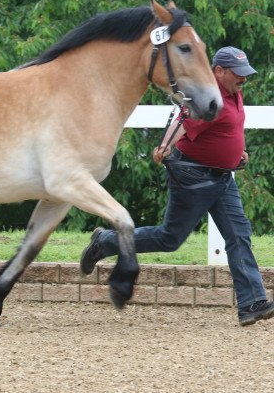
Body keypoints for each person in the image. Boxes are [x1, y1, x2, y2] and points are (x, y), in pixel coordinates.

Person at [80, 46, 273, 326]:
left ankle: (251, 303)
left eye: (245, 73)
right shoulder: (208, 97)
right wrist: (164, 145)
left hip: (222, 177)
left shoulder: (232, 91)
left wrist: (236, 152)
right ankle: (106, 241)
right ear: (219, 71)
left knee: (238, 235)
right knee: (169, 239)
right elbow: (183, 120)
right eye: (238, 73)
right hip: (194, 177)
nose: (244, 78)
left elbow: (228, 127)